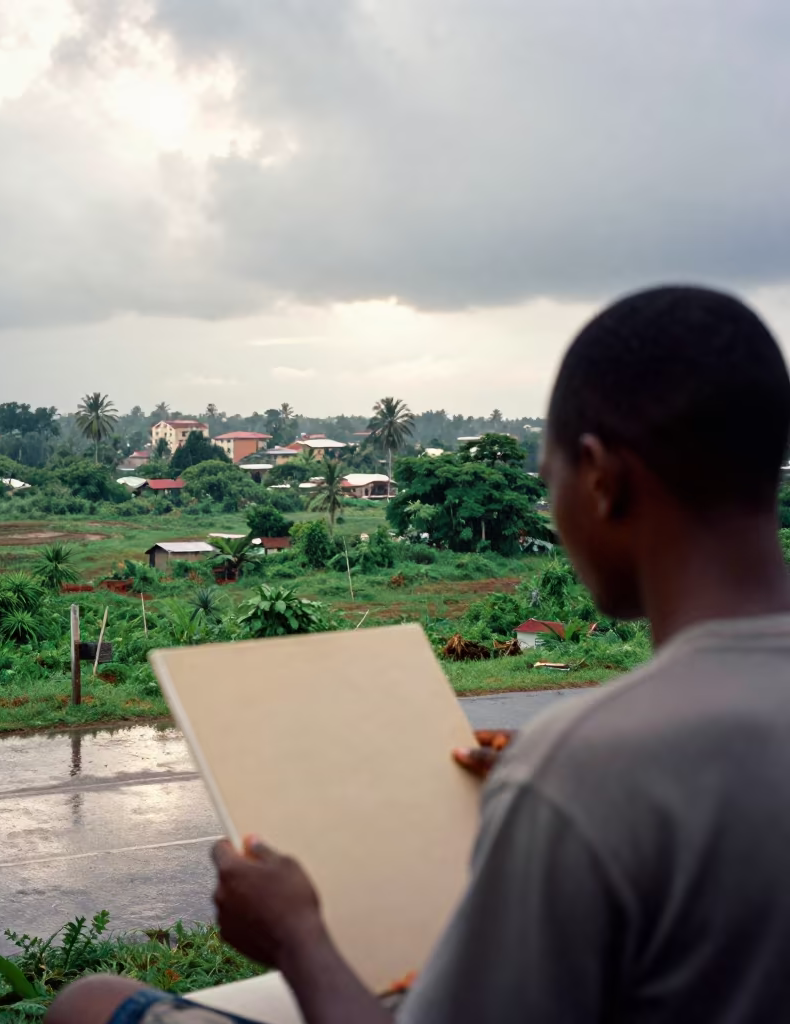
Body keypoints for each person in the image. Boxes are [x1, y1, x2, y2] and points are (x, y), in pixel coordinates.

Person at [48, 285, 790, 1024]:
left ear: (601, 477)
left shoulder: (582, 772)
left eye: (546, 481)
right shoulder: (583, 770)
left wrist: (298, 938)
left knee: (89, 1002)